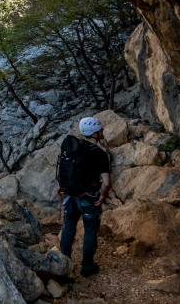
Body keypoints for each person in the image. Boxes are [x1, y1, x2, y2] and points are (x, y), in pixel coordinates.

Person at [57, 116, 111, 277]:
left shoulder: (71, 146)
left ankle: (63, 263)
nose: (102, 131)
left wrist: (62, 188)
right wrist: (101, 196)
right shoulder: (99, 154)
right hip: (88, 198)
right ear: (94, 134)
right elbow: (106, 182)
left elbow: (63, 170)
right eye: (100, 130)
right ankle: (87, 267)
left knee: (68, 228)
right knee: (89, 231)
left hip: (69, 195)